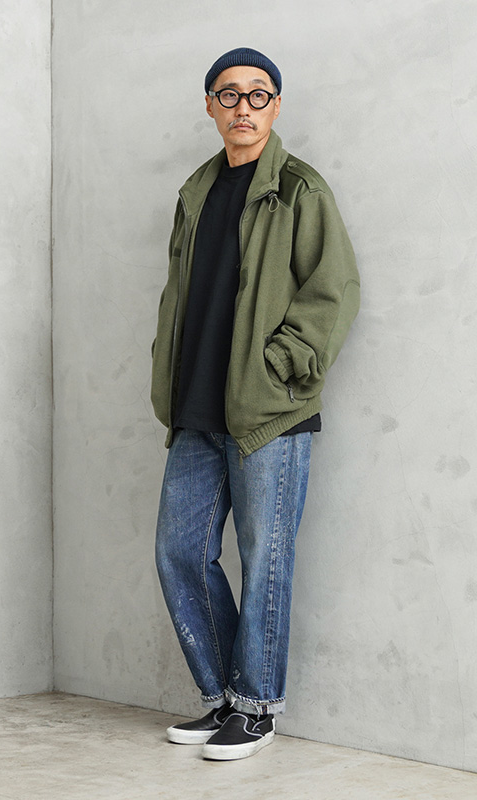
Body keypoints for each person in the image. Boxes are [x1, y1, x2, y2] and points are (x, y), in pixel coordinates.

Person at [151, 47, 359, 761]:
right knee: (179, 553)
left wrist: (280, 368)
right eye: (230, 94)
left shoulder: (300, 190)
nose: (244, 107)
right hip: (196, 409)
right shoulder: (196, 192)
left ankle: (258, 708)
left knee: (265, 559)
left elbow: (334, 291)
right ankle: (223, 699)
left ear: (275, 106)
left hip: (269, 413)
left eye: (258, 94)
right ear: (210, 106)